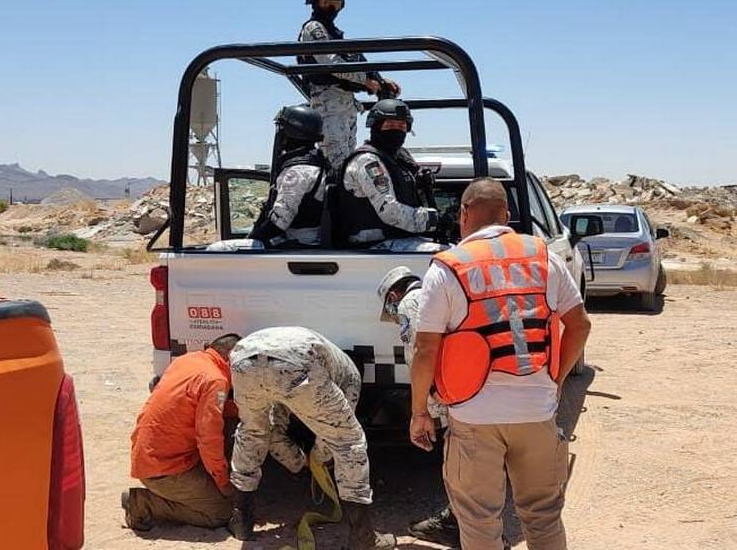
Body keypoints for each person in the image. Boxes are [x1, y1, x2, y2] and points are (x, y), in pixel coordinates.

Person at [409, 177, 592, 550]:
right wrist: (554, 381)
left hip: (474, 415)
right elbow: (580, 325)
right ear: (506, 215)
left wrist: (419, 413)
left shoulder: (447, 268)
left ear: (463, 214)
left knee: (479, 522)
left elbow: (426, 349)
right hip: (536, 411)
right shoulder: (544, 256)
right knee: (542, 517)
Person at [227, 326, 395, 549]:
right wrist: (318, 460)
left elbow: (274, 429)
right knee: (349, 441)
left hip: (243, 359)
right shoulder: (351, 377)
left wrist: (297, 462)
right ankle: (363, 538)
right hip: (297, 361)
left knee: (252, 431)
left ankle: (241, 519)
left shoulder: (330, 356)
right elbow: (333, 435)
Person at [378, 267, 462, 548]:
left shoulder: (409, 303)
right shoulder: (435, 294)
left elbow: (419, 353)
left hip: (447, 392)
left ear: (393, 294)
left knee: (458, 459)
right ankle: (459, 519)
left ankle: (461, 526)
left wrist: (424, 406)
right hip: (469, 384)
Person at [123, 333, 242, 531]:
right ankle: (142, 503)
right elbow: (208, 438)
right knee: (221, 512)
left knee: (230, 421)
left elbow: (203, 409)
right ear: (231, 357)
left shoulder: (189, 360)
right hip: (164, 469)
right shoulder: (215, 381)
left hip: (151, 454)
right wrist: (223, 483)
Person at [299, 0, 400, 169]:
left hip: (345, 101)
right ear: (314, 2)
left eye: (334, 3)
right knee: (336, 163)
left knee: (347, 161)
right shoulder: (314, 28)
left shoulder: (333, 32)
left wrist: (377, 79)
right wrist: (365, 81)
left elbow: (354, 60)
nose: (330, 8)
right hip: (329, 100)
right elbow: (332, 63)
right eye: (325, 2)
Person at [337, 99, 442, 250]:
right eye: (390, 125)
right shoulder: (367, 161)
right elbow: (389, 211)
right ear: (376, 127)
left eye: (401, 126)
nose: (396, 130)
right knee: (451, 257)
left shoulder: (397, 160)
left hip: (397, 240)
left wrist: (419, 187)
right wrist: (433, 219)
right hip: (374, 246)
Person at [248, 104, 330, 248]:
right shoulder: (317, 162)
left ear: (293, 132)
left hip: (297, 244)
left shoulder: (298, 171)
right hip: (305, 241)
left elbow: (279, 222)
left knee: (218, 249)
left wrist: (254, 238)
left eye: (283, 129)